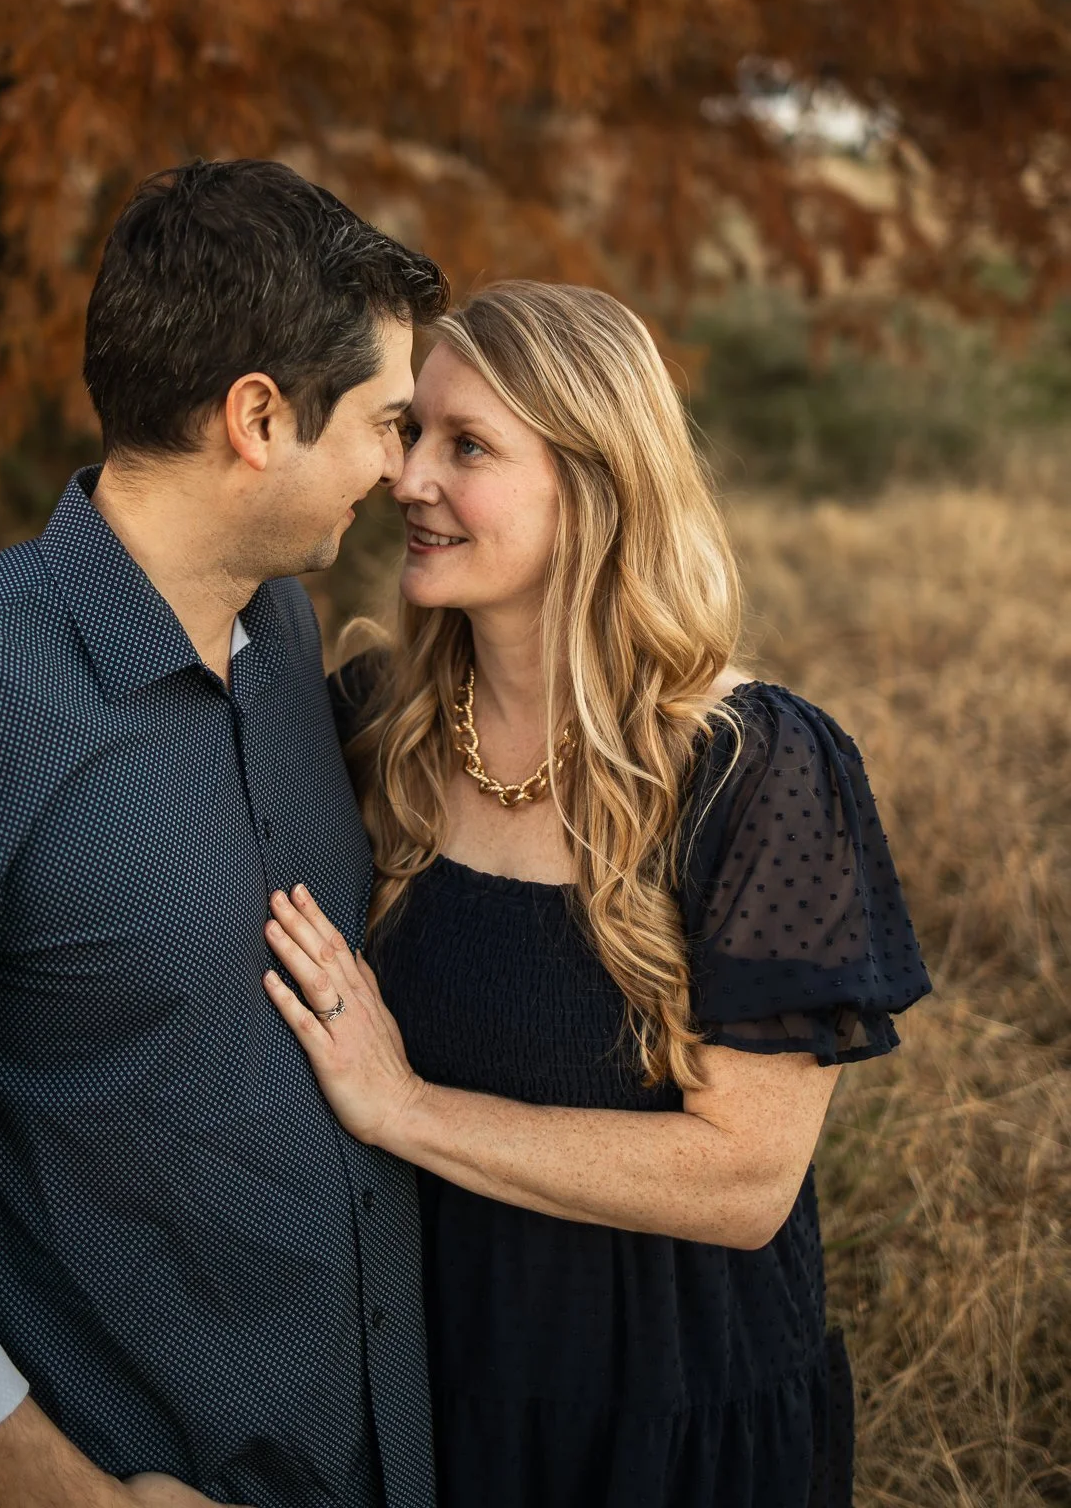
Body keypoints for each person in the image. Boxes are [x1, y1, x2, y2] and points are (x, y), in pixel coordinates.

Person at [0, 161, 449, 1508]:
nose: (399, 469)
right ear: (257, 417)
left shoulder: (281, 628)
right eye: (384, 422)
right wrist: (79, 1499)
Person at [260, 279, 932, 1508]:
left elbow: (744, 1179)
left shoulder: (758, 770)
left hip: (671, 1423)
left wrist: (407, 1108)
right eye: (411, 431)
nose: (410, 476)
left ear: (595, 485)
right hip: (424, 1403)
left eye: (468, 445)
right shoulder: (370, 733)